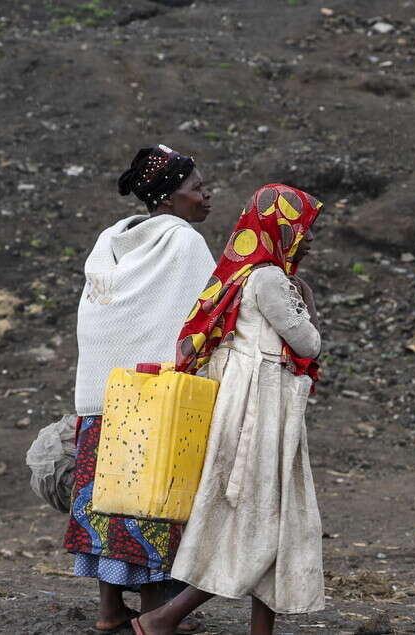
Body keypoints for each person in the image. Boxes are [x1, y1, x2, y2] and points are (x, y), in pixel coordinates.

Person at [133, 184, 325, 635]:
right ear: (280, 227)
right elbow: (308, 342)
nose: (310, 238)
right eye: (303, 228)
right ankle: (162, 618)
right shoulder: (270, 280)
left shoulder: (243, 274)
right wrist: (310, 305)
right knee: (259, 522)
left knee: (269, 520)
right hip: (262, 411)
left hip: (255, 406)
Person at [63, 145, 214, 634]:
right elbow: (204, 316)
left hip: (102, 393)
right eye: (196, 188)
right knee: (152, 501)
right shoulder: (183, 242)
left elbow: (104, 315)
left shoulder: (111, 240)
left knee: (107, 500)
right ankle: (153, 614)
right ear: (169, 199)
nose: (206, 195)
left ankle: (110, 611)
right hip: (154, 399)